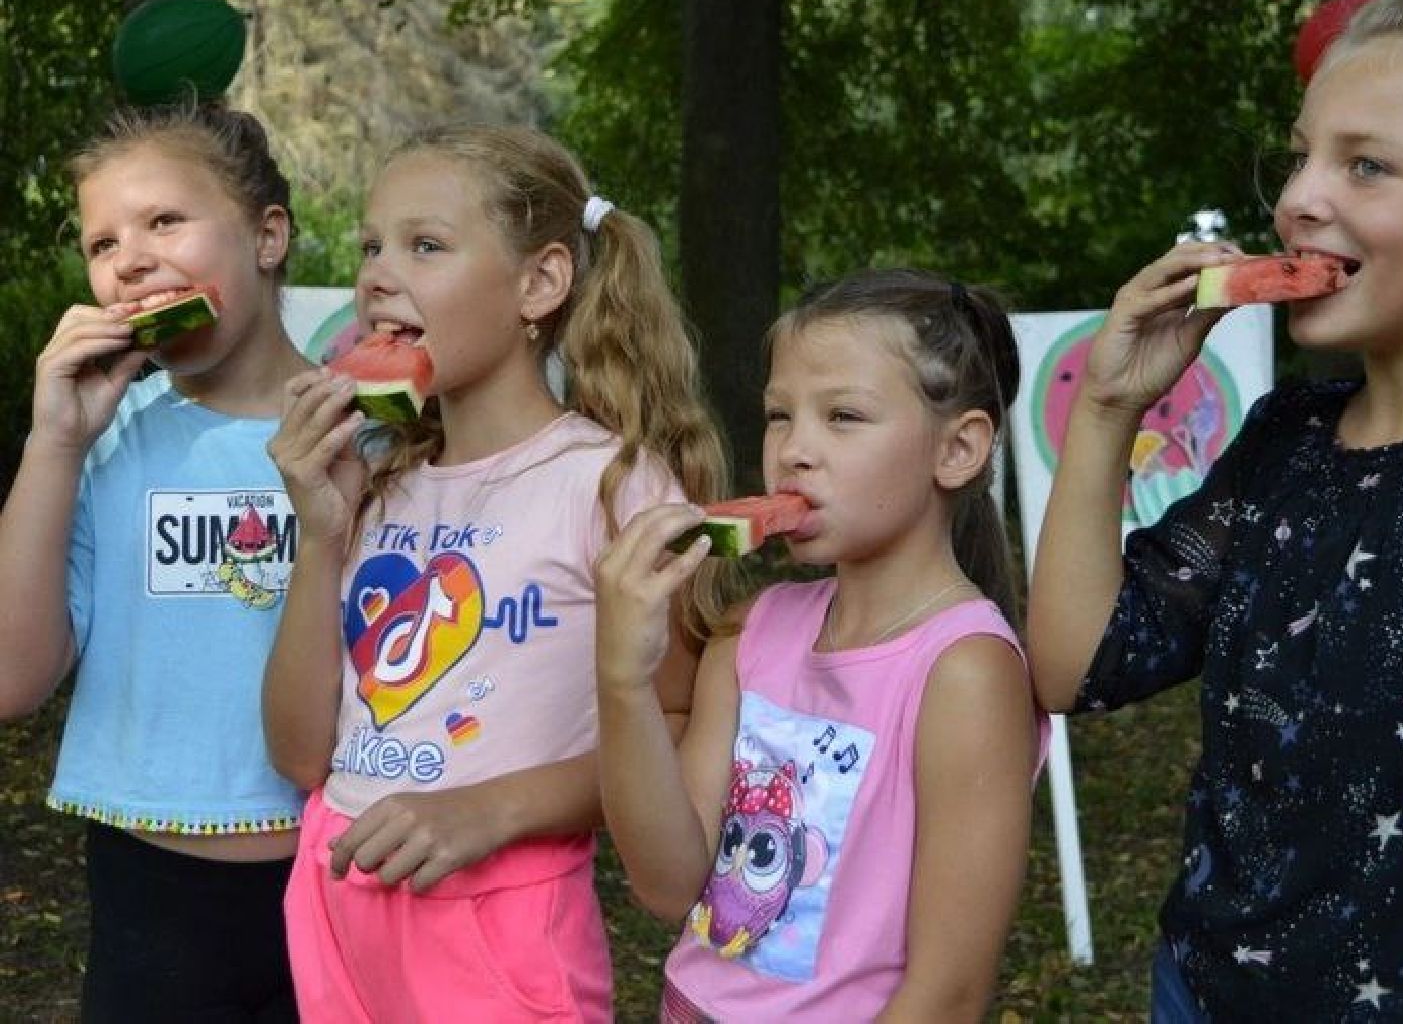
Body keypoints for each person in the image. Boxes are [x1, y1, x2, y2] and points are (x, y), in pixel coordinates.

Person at [1027, 0, 1403, 1022]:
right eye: (1300, 155)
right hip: (1195, 993)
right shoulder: (1286, 441)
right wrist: (1109, 408)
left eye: (1366, 164)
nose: (1298, 197)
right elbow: (1078, 665)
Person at [263, 123, 728, 1022]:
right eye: (371, 245)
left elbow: (673, 720)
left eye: (425, 245)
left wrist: (495, 808)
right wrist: (318, 538)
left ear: (539, 283)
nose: (376, 273)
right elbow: (299, 755)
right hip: (332, 894)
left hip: (498, 920)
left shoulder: (612, 484)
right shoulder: (377, 485)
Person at [594, 269, 1047, 1021]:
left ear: (959, 448)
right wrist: (622, 681)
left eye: (842, 416)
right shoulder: (750, 631)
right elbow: (667, 884)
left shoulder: (964, 672)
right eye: (779, 415)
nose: (794, 450)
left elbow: (948, 994)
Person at [0, 101, 309, 1020]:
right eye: (103, 243)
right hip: (150, 891)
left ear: (267, 235)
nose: (129, 257)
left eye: (164, 221)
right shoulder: (104, 443)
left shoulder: (372, 432)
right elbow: (12, 681)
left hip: (342, 871)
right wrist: (51, 444)